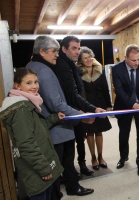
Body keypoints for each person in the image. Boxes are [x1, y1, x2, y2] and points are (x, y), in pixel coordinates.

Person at [26, 35, 94, 198]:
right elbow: (56, 104)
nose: (57, 54)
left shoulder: (32, 65)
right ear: (42, 51)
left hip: (48, 127)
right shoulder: (44, 71)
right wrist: (80, 115)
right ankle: (67, 189)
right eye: (54, 51)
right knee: (62, 162)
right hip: (58, 129)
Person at [0, 68, 64, 199]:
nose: (34, 86)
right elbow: (25, 143)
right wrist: (43, 168)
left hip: (39, 163)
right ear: (17, 86)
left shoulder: (27, 104)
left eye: (36, 82)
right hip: (36, 168)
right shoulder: (21, 109)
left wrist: (54, 118)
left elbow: (37, 129)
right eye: (28, 83)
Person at [53, 36, 106, 177]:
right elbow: (72, 93)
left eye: (78, 48)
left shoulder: (71, 65)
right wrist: (91, 109)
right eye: (74, 48)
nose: (77, 52)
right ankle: (70, 175)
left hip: (80, 107)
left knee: (80, 140)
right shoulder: (64, 67)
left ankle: (82, 165)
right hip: (73, 110)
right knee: (71, 144)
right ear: (63, 49)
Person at [112, 44, 139, 176]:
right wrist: (132, 104)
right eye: (133, 60)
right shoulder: (116, 69)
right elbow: (119, 91)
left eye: (138, 59)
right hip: (124, 106)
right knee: (124, 134)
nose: (137, 63)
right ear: (125, 58)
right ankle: (123, 157)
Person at [77, 46, 112, 170]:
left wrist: (108, 105)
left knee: (99, 131)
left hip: (100, 104)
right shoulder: (78, 72)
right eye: (85, 58)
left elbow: (105, 89)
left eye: (89, 57)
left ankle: (101, 156)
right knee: (90, 132)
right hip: (87, 105)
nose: (88, 60)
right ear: (81, 60)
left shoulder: (99, 69)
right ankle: (93, 157)